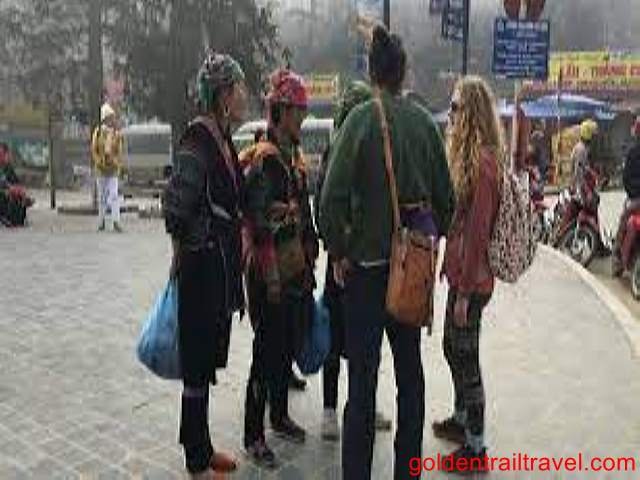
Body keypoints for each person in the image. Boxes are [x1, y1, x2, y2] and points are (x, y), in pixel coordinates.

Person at [319, 25, 455, 480]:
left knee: (362, 382)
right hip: (409, 271)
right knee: (410, 377)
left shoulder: (360, 121)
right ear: (403, 73)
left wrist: (340, 248)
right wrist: (427, 241)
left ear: (371, 73)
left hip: (366, 273)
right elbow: (447, 201)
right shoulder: (424, 123)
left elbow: (331, 198)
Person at [163, 51, 247, 480]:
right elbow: (176, 207)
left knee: (205, 362)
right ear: (223, 94)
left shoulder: (222, 138)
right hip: (201, 269)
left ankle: (203, 445)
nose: (244, 95)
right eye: (239, 88)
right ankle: (196, 457)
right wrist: (198, 239)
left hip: (217, 270)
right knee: (196, 363)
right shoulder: (198, 139)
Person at [242, 68, 319, 467]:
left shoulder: (294, 158)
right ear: (281, 111)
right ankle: (253, 433)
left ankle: (279, 415)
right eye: (298, 110)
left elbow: (303, 212)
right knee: (265, 354)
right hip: (269, 274)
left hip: (295, 271)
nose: (302, 117)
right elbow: (258, 225)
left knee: (286, 348)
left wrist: (310, 250)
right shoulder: (265, 160)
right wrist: (271, 277)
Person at [432, 76, 504, 473]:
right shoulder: (470, 158)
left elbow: (477, 234)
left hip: (472, 283)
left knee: (467, 359)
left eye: (457, 107)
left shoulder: (485, 164)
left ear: (472, 112)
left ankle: (476, 449)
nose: (451, 113)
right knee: (451, 346)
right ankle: (461, 420)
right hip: (462, 276)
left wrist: (463, 293)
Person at [316, 80, 392, 442]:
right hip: (342, 262)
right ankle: (330, 410)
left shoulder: (377, 151)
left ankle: (363, 403)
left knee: (367, 341)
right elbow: (324, 206)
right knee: (335, 338)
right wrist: (337, 251)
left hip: (366, 262)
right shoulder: (335, 152)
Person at [613, 117, 640, 276]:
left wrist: (632, 193)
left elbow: (626, 178)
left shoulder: (632, 152)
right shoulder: (632, 151)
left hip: (635, 199)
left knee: (624, 219)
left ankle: (617, 253)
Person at [92, 103, 124, 232]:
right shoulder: (98, 132)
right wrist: (99, 162)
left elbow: (119, 151)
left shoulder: (116, 133)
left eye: (112, 117)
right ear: (104, 118)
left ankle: (116, 221)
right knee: (102, 197)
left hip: (113, 169)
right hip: (101, 170)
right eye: (110, 117)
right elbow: (94, 149)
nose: (112, 119)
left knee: (114, 195)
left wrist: (116, 162)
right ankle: (101, 221)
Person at [0, 142, 33, 227]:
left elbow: (16, 183)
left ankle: (17, 217)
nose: (2, 157)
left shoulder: (8, 168)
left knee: (17, 195)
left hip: (8, 195)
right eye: (1, 154)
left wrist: (19, 190)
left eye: (3, 154)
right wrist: (9, 188)